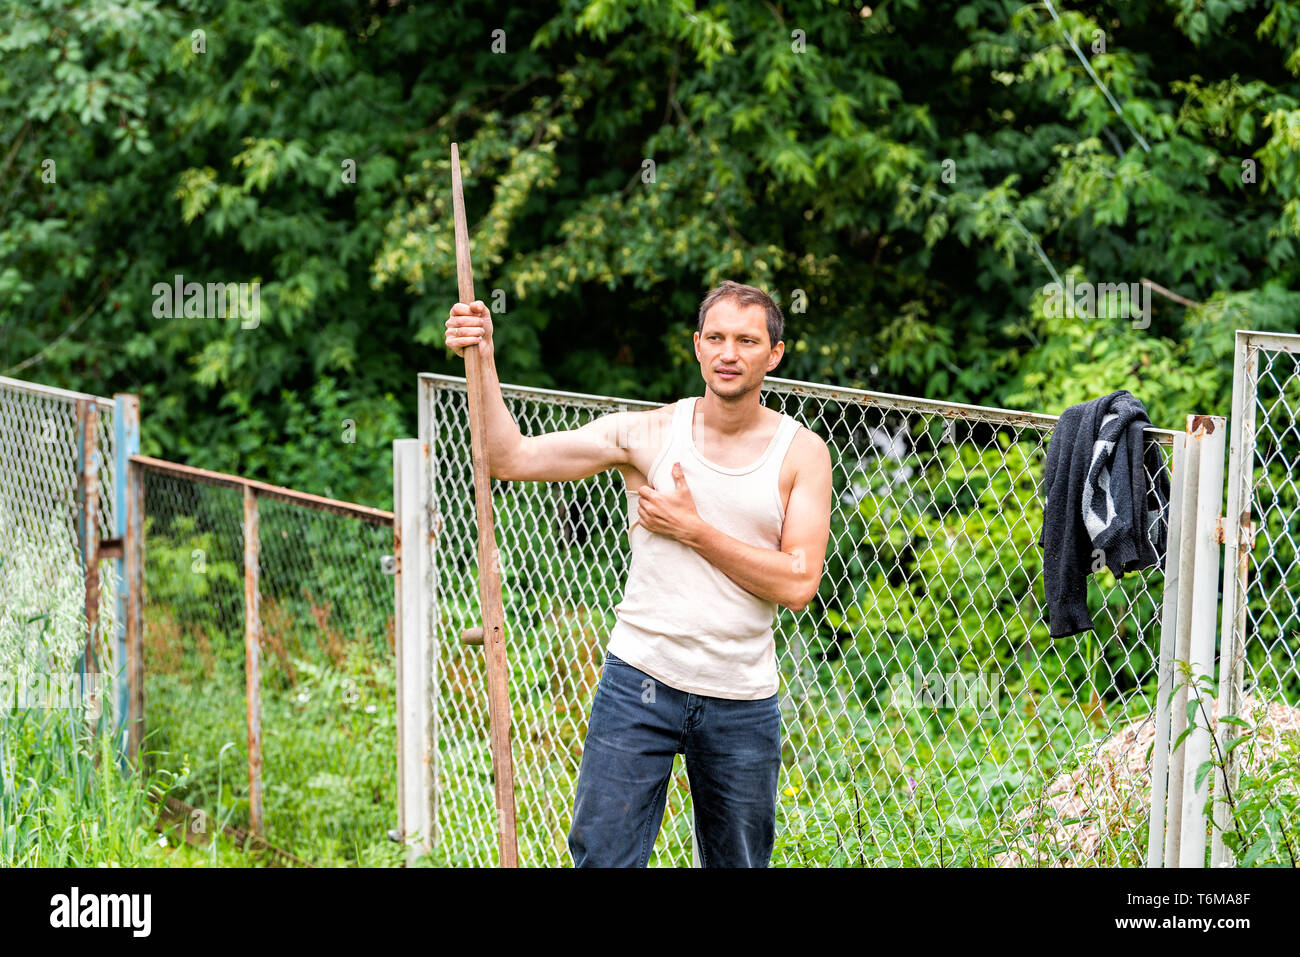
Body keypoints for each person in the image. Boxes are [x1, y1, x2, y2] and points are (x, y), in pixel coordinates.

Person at [444, 280, 833, 867]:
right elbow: (508, 457)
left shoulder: (802, 454)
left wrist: (694, 529)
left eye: (747, 341)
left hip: (740, 697)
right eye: (718, 338)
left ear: (774, 354)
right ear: (697, 346)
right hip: (640, 682)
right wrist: (485, 356)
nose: (730, 353)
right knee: (603, 858)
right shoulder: (648, 435)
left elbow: (799, 584)